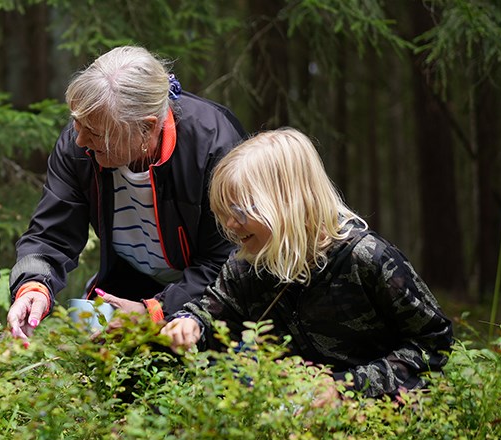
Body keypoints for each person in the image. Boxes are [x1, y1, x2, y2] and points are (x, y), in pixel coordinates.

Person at [161, 128, 453, 399]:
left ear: (287, 202)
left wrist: (344, 388)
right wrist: (191, 324)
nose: (229, 224)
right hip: (295, 423)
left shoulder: (366, 259)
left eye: (240, 210)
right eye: (224, 212)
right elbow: (213, 317)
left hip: (381, 417)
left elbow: (433, 344)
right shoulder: (245, 268)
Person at [7, 45, 246, 342]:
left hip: (203, 297)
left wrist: (155, 312)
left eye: (94, 132)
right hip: (126, 282)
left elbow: (227, 260)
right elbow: (51, 234)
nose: (80, 140)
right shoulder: (79, 143)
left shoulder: (213, 147)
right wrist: (33, 287)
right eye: (76, 124)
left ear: (146, 129)